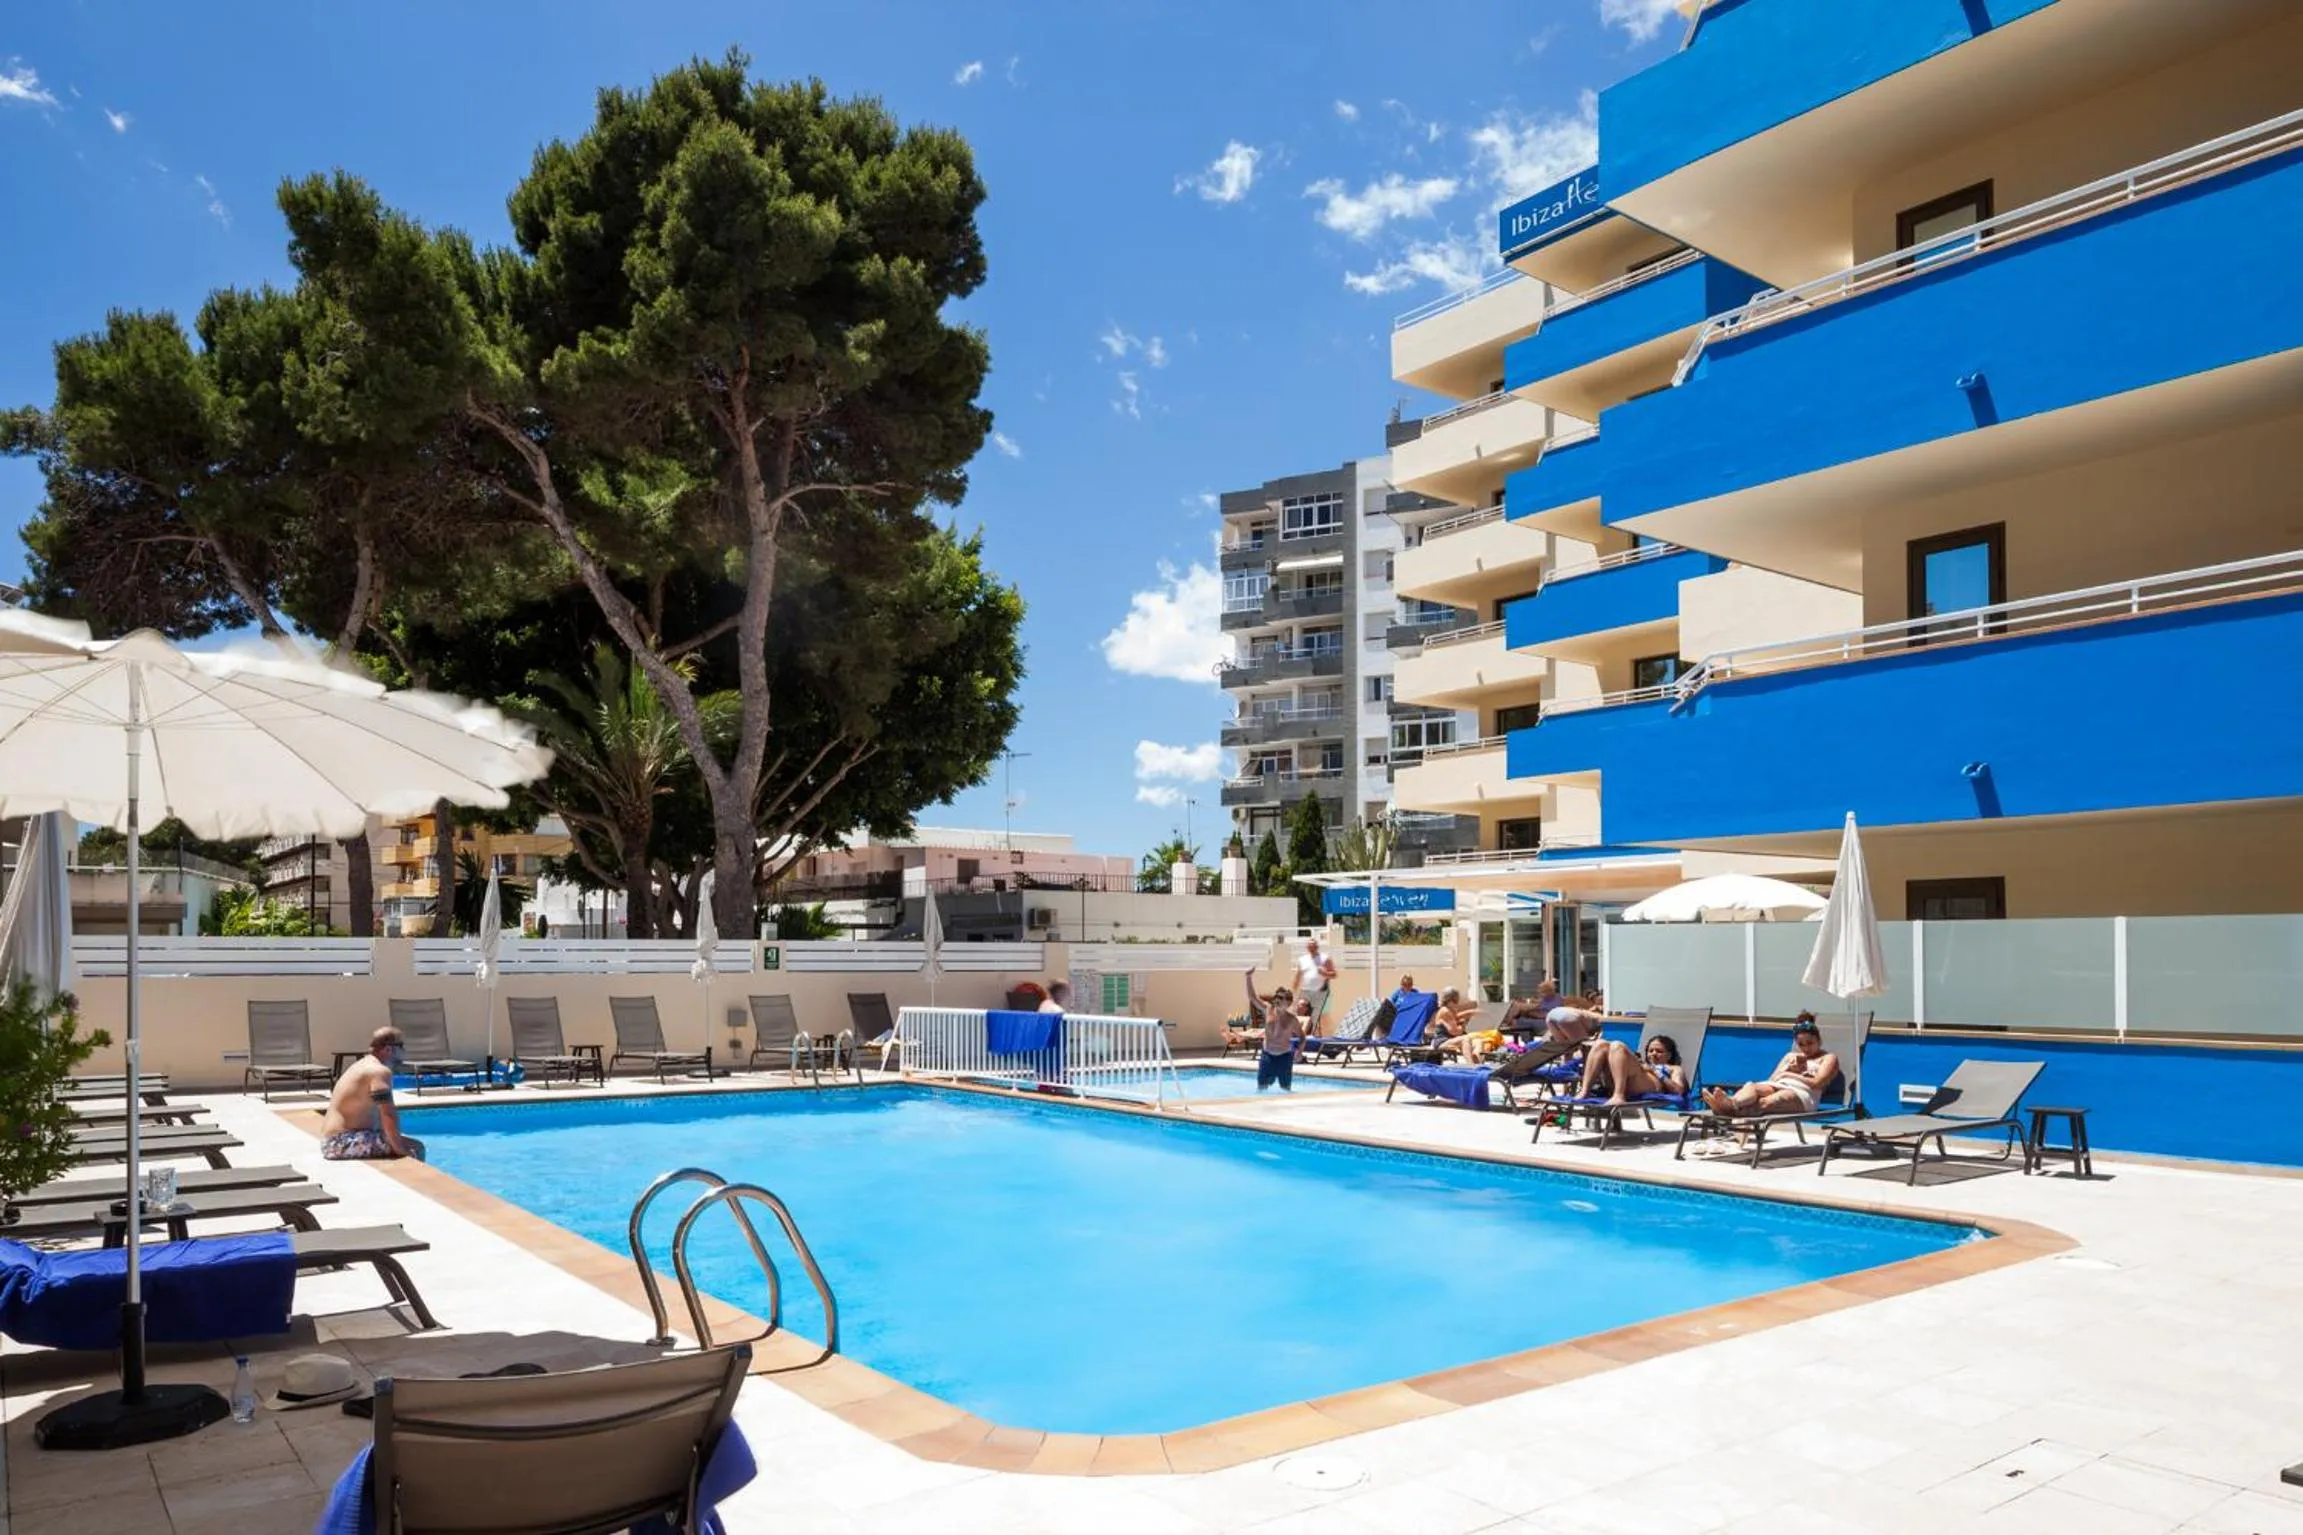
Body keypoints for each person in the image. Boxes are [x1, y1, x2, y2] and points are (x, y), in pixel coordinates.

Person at [1703, 1014, 1839, 1119]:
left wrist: (1789, 1074)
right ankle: (1731, 1103)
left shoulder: (1828, 1058)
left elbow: (1817, 1083)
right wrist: (1787, 1069)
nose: (1806, 1048)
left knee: (1764, 1103)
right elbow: (1773, 1079)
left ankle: (1725, 1111)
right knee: (1752, 1086)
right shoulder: (1790, 1056)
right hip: (1780, 1085)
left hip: (1802, 1094)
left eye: (1810, 1043)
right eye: (1801, 1044)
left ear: (1819, 1040)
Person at [321, 1026, 426, 1162]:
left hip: (332, 1141)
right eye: (401, 1046)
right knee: (416, 1147)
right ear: (388, 1049)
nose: (404, 1052)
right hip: (342, 1143)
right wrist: (399, 1148)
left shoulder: (362, 1064)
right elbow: (388, 1113)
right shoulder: (379, 1071)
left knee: (391, 1136)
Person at [1578, 1033, 1685, 1108]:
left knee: (1617, 1046)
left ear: (1669, 1055)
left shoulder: (1674, 1068)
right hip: (1623, 1079)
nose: (1653, 1054)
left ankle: (1619, 1095)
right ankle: (1585, 1091)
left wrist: (1655, 1071)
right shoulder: (1644, 1064)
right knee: (1600, 1044)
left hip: (1649, 1086)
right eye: (1650, 1050)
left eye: (1659, 1051)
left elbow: (1678, 1090)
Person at [1241, 968, 1306, 1091]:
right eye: (1277, 997)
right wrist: (1248, 977)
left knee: (1286, 1090)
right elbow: (1252, 997)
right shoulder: (1268, 1009)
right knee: (1261, 1089)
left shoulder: (1292, 1020)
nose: (1278, 1000)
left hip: (1285, 1058)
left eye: (1282, 998)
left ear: (1289, 1003)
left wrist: (1299, 1052)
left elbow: (1302, 1036)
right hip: (1267, 1057)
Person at [1295, 937, 1338, 1028]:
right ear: (1307, 947)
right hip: (1306, 992)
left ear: (1317, 947)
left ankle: (1324, 1037)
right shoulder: (1302, 960)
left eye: (1313, 945)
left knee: (1321, 1017)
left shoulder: (1325, 959)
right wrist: (1293, 992)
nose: (1311, 947)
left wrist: (1325, 973)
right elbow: (1298, 976)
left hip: (1321, 992)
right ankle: (1302, 1035)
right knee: (1300, 1009)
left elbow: (1334, 974)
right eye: (1309, 946)